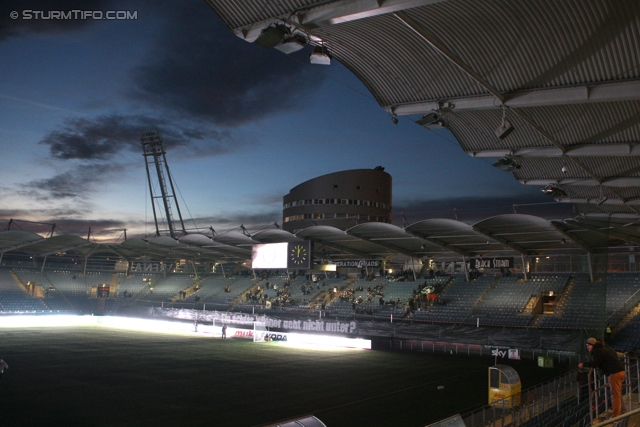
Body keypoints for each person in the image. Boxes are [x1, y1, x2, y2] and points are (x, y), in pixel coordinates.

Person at [578, 337, 626, 418]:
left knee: (615, 395)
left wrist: (583, 364)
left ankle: (616, 415)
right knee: (617, 393)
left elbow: (594, 364)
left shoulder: (598, 351)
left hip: (614, 373)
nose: (587, 347)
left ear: (592, 345)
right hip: (619, 372)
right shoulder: (603, 348)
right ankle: (621, 411)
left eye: (588, 345)